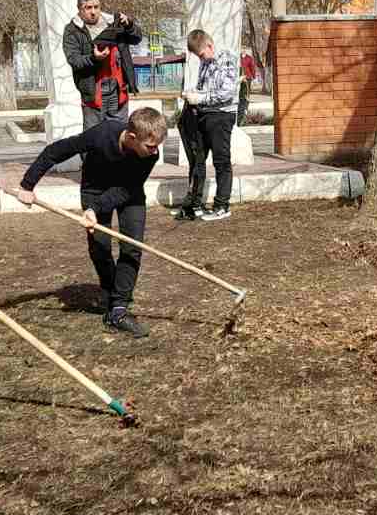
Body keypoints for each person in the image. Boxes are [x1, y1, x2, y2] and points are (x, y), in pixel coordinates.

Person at [16, 106, 168, 339]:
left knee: (132, 246)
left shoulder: (150, 155)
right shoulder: (102, 134)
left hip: (128, 191)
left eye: (157, 145)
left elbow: (126, 189)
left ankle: (118, 309)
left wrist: (94, 210)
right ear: (131, 136)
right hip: (94, 189)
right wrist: (27, 185)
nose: (154, 151)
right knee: (100, 248)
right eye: (149, 145)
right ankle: (109, 291)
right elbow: (56, 151)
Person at [175, 29, 239, 222]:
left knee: (221, 160)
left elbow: (226, 93)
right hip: (204, 114)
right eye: (197, 56)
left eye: (201, 54)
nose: (201, 58)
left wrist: (200, 97)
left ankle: (222, 205)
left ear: (210, 45)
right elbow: (204, 88)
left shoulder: (226, 59)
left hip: (221, 115)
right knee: (198, 159)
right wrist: (192, 93)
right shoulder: (205, 61)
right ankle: (195, 203)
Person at [62, 0, 143, 130]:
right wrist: (94, 58)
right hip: (94, 94)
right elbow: (74, 60)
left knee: (119, 137)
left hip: (118, 91)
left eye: (96, 7)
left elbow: (136, 39)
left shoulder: (113, 22)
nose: (93, 12)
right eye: (88, 8)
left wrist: (129, 25)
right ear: (79, 9)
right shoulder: (72, 30)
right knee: (92, 140)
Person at [238, 47, 258, 125]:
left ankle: (246, 104)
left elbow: (252, 67)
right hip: (240, 78)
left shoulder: (249, 58)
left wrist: (253, 76)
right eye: (241, 48)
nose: (242, 50)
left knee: (246, 92)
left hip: (247, 77)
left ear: (245, 50)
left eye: (244, 49)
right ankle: (241, 102)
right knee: (240, 92)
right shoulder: (238, 57)